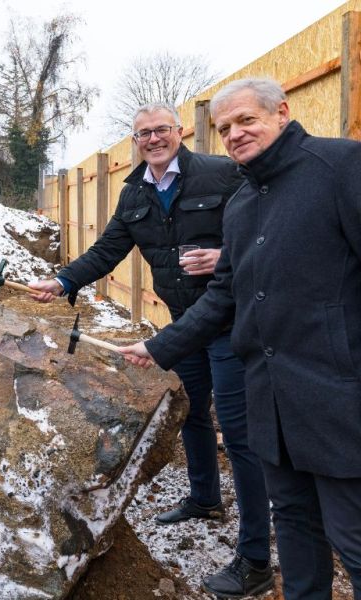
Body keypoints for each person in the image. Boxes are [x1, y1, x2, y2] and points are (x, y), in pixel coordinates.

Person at [120, 78, 361, 600]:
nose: (235, 134)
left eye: (246, 120)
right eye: (225, 127)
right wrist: (159, 347)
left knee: (353, 538)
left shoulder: (341, 167)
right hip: (270, 399)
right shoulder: (243, 199)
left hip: (339, 399)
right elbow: (224, 294)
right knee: (296, 531)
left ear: (282, 112)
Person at [28, 103, 273, 598]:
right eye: (143, 133)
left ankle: (255, 558)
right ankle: (205, 498)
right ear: (135, 140)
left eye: (161, 129)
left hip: (229, 323)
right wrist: (62, 280)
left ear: (179, 131)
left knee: (239, 432)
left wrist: (227, 256)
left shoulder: (223, 174)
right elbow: (109, 248)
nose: (153, 139)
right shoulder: (136, 190)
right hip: (183, 325)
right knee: (193, 415)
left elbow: (268, 230)